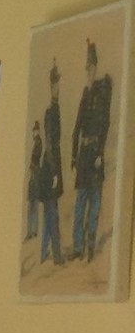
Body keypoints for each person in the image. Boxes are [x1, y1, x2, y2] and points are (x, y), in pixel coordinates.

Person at [71, 38, 113, 260]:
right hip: (83, 157)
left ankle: (89, 247)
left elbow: (105, 124)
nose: (89, 72)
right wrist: (73, 156)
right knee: (80, 204)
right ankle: (77, 248)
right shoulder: (85, 94)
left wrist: (99, 154)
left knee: (94, 204)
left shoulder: (101, 93)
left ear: (96, 68)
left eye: (92, 67)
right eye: (87, 68)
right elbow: (77, 126)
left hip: (95, 155)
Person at [40, 62, 65, 265]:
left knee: (50, 214)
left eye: (58, 86)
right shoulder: (51, 112)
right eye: (55, 86)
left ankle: (46, 253)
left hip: (51, 166)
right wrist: (55, 172)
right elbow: (49, 144)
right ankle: (56, 256)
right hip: (49, 169)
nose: (57, 89)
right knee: (52, 214)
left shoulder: (54, 109)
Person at [27, 120, 43, 237]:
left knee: (34, 203)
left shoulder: (38, 142)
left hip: (36, 173)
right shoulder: (37, 142)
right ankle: (32, 230)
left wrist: (32, 166)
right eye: (34, 131)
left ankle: (33, 230)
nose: (34, 133)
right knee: (33, 203)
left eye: (35, 131)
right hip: (34, 173)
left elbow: (36, 157)